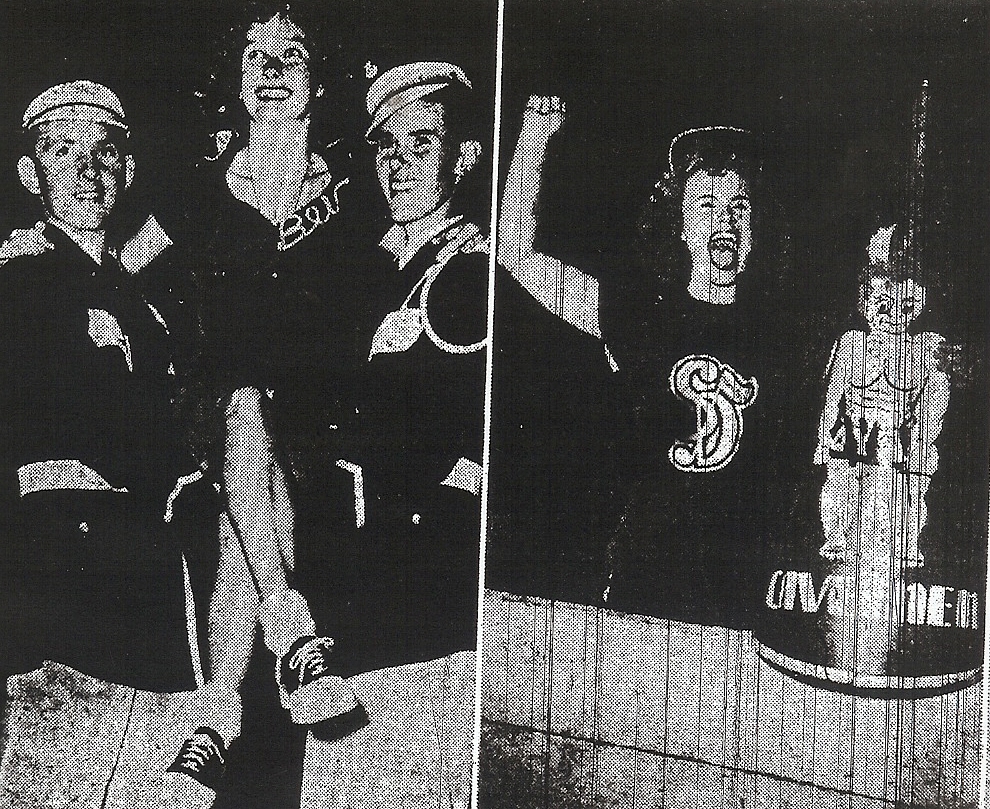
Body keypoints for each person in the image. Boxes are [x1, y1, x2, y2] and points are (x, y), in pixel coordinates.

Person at [0, 80, 215, 807]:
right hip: (62, 563)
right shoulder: (25, 276)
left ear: (127, 171)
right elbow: (82, 407)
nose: (88, 171)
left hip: (147, 571)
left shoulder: (139, 297)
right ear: (31, 176)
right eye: (64, 153)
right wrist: (185, 469)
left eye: (106, 154)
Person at [498, 97, 787, 626]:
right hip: (646, 588)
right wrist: (535, 135)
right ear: (678, 222)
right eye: (705, 205)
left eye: (739, 205)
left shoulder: (787, 333)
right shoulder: (638, 313)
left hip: (750, 596)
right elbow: (516, 250)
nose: (725, 220)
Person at [296, 60, 488, 809]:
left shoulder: (475, 272)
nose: (398, 162)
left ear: (463, 157)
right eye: (384, 147)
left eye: (421, 142)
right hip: (343, 579)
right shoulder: (368, 264)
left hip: (422, 591)